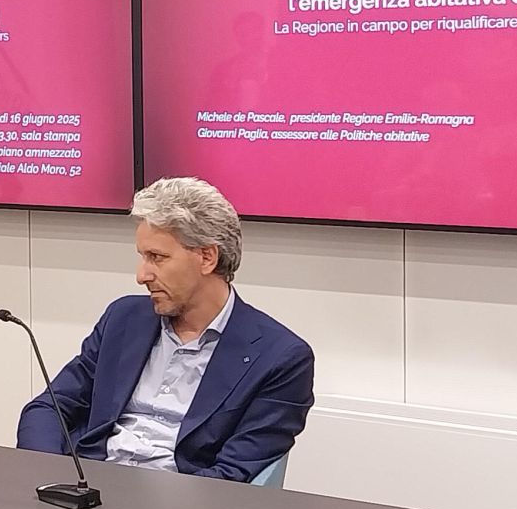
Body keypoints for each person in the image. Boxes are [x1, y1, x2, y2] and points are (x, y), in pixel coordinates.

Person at [16, 176, 314, 481]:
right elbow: (48, 408)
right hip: (88, 485)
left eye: (156, 258)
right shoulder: (124, 318)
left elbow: (232, 475)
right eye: (142, 257)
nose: (141, 275)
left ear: (207, 257)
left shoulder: (280, 358)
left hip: (180, 500)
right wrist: (50, 477)